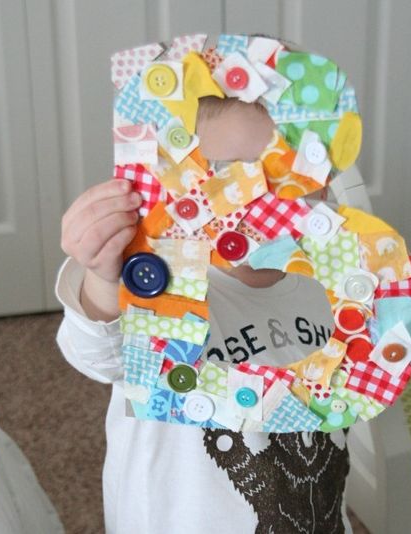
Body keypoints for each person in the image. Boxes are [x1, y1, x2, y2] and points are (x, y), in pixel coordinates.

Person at [56, 94, 354, 533]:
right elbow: (100, 353)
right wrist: (104, 277)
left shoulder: (336, 286)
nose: (259, 201)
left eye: (287, 173)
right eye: (229, 176)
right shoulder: (168, 289)